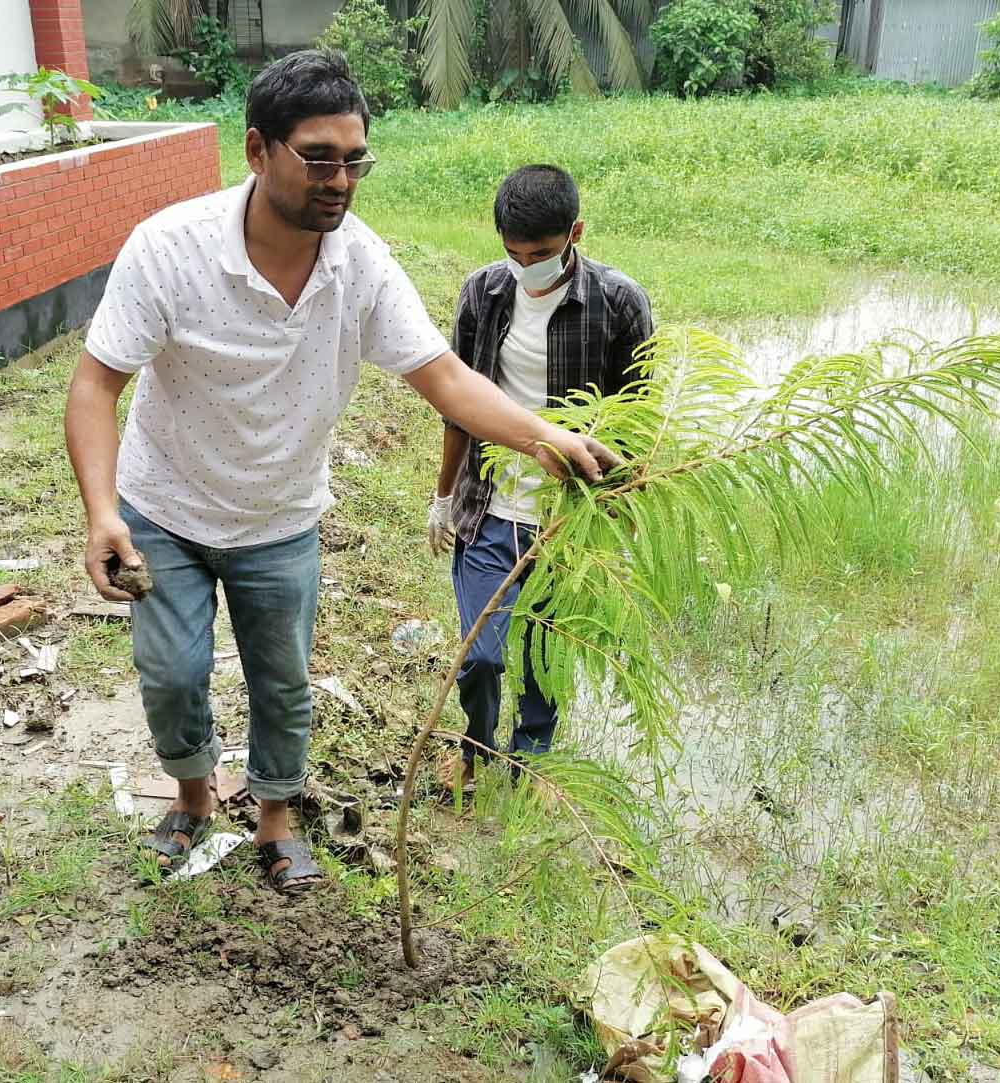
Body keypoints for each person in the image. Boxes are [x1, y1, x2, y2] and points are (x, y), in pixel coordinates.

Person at [64, 53, 621, 894]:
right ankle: (190, 797)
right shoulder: (170, 250)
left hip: (281, 513)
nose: (341, 179)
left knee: (281, 678)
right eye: (318, 157)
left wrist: (543, 437)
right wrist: (103, 512)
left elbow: (444, 377)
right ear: (258, 151)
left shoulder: (359, 263)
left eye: (354, 158)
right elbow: (96, 382)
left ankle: (278, 820)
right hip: (165, 505)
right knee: (174, 673)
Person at [427, 164, 654, 790]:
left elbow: (639, 417)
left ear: (575, 233)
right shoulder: (483, 293)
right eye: (514, 252)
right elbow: (457, 403)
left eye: (543, 254)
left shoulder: (617, 301)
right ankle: (473, 751)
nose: (526, 266)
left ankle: (530, 767)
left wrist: (622, 511)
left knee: (540, 656)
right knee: (481, 655)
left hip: (566, 520)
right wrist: (442, 497)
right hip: (489, 509)